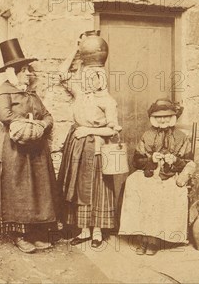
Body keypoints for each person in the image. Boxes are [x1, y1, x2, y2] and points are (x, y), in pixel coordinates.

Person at [0, 38, 59, 254]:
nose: (29, 74)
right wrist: (28, 122)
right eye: (24, 70)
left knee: (37, 189)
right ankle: (18, 234)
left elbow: (48, 116)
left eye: (29, 70)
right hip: (13, 148)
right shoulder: (3, 91)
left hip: (36, 148)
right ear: (13, 72)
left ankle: (35, 233)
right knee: (17, 189)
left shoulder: (31, 94)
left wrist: (42, 125)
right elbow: (4, 114)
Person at [58, 37, 122, 248]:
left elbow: (112, 130)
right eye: (88, 76)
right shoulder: (80, 94)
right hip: (78, 147)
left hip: (97, 148)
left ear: (101, 78)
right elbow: (62, 73)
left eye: (96, 77)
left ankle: (97, 232)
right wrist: (76, 50)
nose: (91, 80)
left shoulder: (107, 101)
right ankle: (84, 230)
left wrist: (88, 129)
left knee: (97, 188)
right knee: (79, 188)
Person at [119, 99, 195, 255]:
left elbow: (188, 162)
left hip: (172, 175)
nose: (163, 119)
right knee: (133, 184)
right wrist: (151, 159)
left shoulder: (181, 137)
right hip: (150, 172)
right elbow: (137, 161)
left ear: (173, 117)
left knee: (162, 192)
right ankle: (142, 236)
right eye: (159, 116)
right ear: (153, 118)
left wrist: (175, 160)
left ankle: (153, 240)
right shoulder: (147, 135)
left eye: (166, 116)